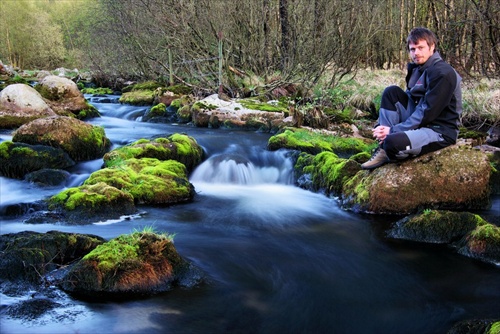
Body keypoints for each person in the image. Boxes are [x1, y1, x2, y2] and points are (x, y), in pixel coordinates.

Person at [361, 27, 462, 170]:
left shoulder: (443, 73)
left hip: (439, 130)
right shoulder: (417, 68)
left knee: (393, 143)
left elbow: (427, 112)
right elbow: (410, 99)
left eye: (421, 48)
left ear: (432, 47)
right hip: (422, 123)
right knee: (391, 92)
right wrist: (381, 126)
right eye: (412, 49)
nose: (416, 53)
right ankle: (383, 146)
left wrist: (394, 130)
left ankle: (387, 145)